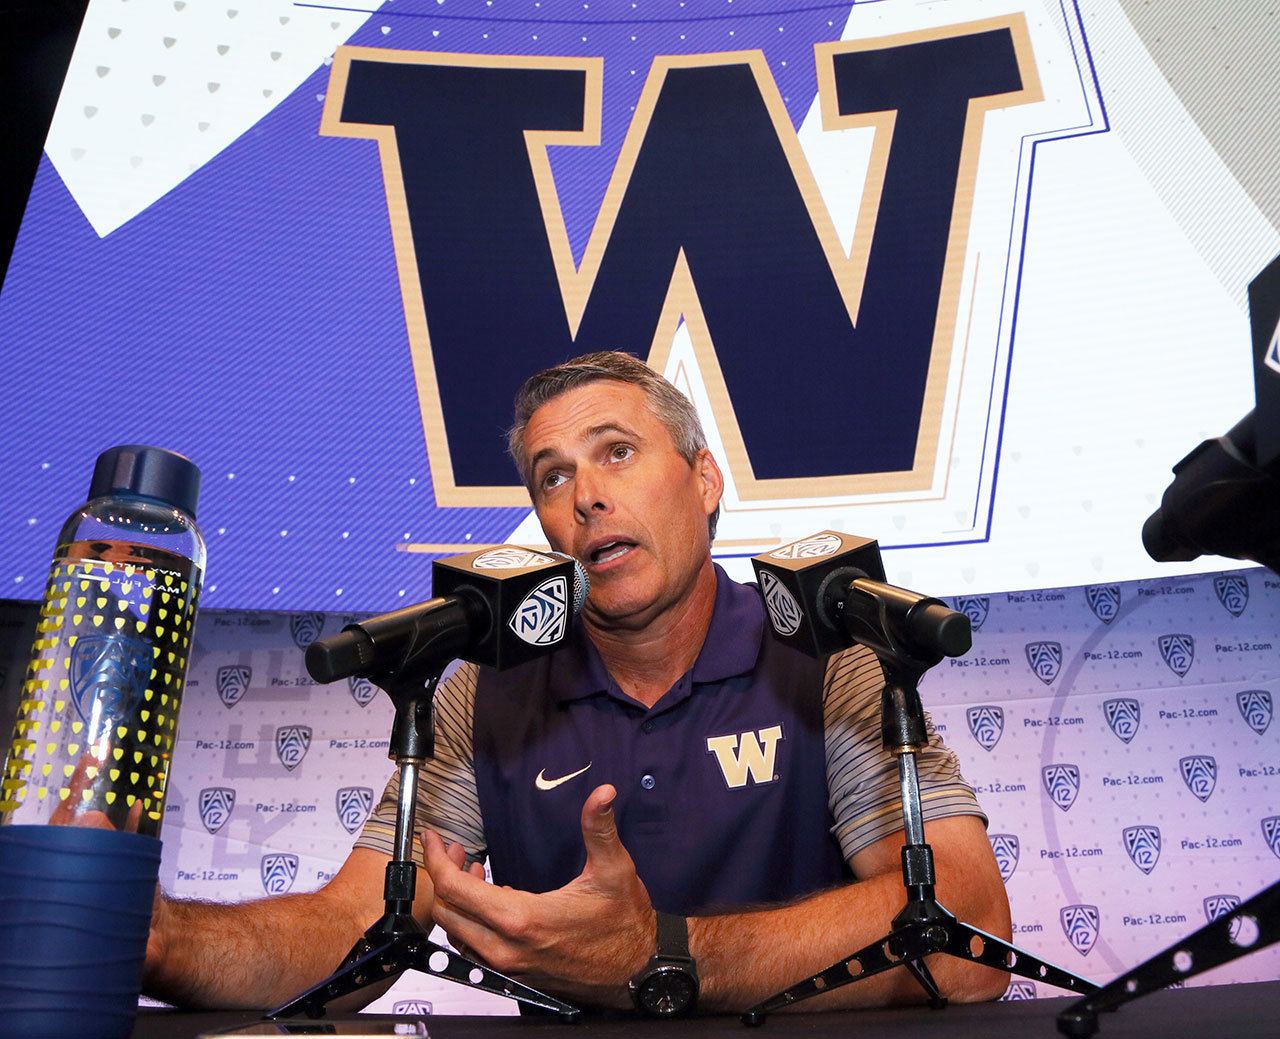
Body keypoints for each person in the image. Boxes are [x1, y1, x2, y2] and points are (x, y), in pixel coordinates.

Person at [143, 351, 1011, 1012]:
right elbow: (352, 931)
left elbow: (968, 936)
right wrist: (157, 939)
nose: (585, 496)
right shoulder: (482, 690)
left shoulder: (829, 660)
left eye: (618, 452)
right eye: (553, 475)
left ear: (705, 481)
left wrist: (659, 953)